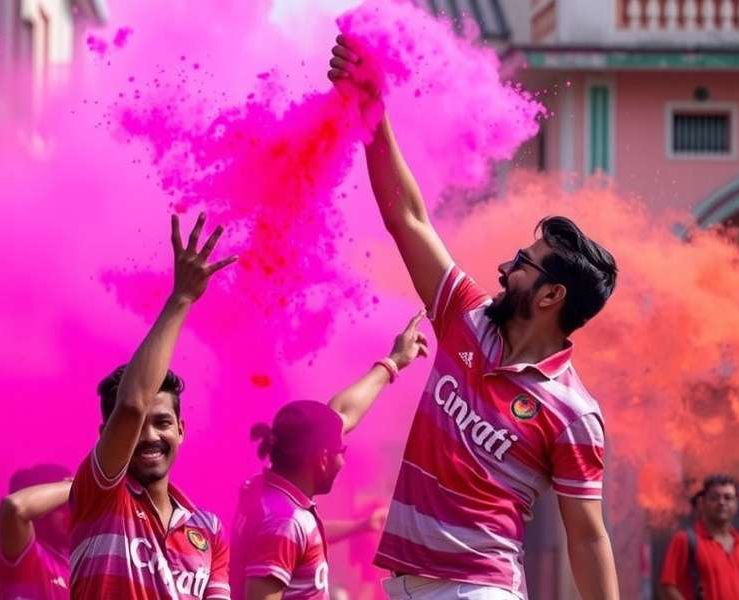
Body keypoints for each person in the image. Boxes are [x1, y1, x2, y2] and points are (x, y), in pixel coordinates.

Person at [327, 35, 620, 600]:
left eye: (525, 264)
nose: (506, 266)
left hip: (479, 591)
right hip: (402, 586)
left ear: (550, 295)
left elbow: (587, 538)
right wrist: (372, 107)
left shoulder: (575, 414)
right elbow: (408, 219)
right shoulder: (467, 315)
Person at [68, 213, 237, 599]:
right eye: (137, 425)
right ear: (106, 436)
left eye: (162, 422)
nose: (149, 436)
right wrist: (181, 299)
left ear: (181, 429)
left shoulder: (207, 528)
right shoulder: (98, 494)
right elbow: (130, 405)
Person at [231, 312, 429, 599]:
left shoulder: (275, 497)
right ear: (322, 457)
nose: (343, 461)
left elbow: (340, 415)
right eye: (341, 451)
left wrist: (394, 362)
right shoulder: (283, 522)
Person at [660, 474, 739, 600]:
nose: (721, 502)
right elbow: (667, 587)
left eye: (728, 498)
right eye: (714, 498)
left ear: (736, 505)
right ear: (702, 503)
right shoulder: (685, 540)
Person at [0, 464, 72, 599]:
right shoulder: (24, 554)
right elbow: (15, 508)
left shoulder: (74, 568)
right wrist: (75, 485)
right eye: (61, 507)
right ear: (41, 510)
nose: (70, 514)